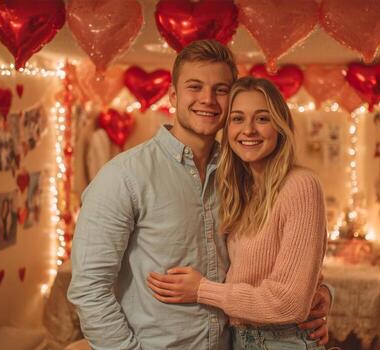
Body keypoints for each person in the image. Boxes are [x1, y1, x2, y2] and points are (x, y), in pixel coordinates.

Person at [67, 40, 332, 350]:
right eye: (195, 87)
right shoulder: (123, 176)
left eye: (220, 90)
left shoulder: (239, 174)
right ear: (173, 96)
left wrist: (320, 293)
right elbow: (89, 288)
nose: (207, 99)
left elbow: (279, 262)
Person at [147, 77, 328, 349]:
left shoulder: (300, 185)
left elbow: (289, 302)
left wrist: (201, 290)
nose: (249, 130)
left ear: (280, 126)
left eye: (262, 119)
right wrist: (323, 292)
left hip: (281, 341)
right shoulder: (237, 187)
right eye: (238, 119)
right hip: (238, 339)